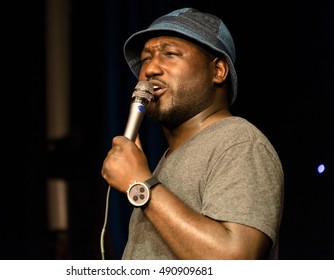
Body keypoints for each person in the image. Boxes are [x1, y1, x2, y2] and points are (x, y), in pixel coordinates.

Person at [101, 7, 284, 260]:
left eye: (171, 54)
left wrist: (141, 184)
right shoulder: (167, 160)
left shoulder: (240, 142)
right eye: (145, 59)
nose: (150, 69)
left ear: (218, 71)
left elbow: (233, 263)